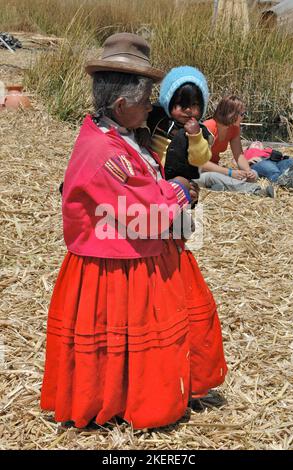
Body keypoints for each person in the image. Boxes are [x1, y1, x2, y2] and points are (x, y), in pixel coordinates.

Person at [40, 33, 227, 430]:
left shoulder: (117, 136)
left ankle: (126, 396)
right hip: (116, 266)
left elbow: (141, 187)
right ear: (122, 104)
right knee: (131, 336)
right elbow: (144, 208)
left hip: (130, 253)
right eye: (146, 101)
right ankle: (126, 401)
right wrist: (178, 190)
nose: (152, 107)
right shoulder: (105, 152)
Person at [201, 95, 274, 197]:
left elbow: (239, 155)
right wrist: (229, 172)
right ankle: (256, 191)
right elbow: (201, 163)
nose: (244, 116)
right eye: (242, 114)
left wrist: (248, 172)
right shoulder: (208, 127)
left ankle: (220, 187)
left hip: (216, 169)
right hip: (198, 173)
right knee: (212, 176)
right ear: (231, 114)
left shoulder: (234, 128)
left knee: (254, 173)